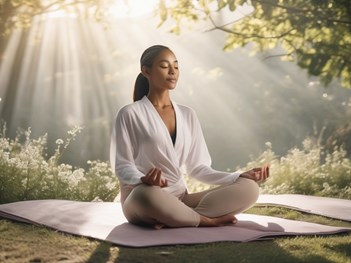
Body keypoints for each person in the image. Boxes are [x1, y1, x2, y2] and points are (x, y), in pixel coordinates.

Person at [110, 45, 269, 229]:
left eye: (176, 66)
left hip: (180, 199)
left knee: (249, 188)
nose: (172, 71)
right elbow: (123, 166)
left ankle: (174, 217)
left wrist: (237, 176)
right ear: (146, 71)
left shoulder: (188, 114)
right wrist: (142, 180)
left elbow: (198, 168)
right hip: (141, 198)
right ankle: (204, 220)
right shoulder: (129, 113)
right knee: (146, 196)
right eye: (164, 66)